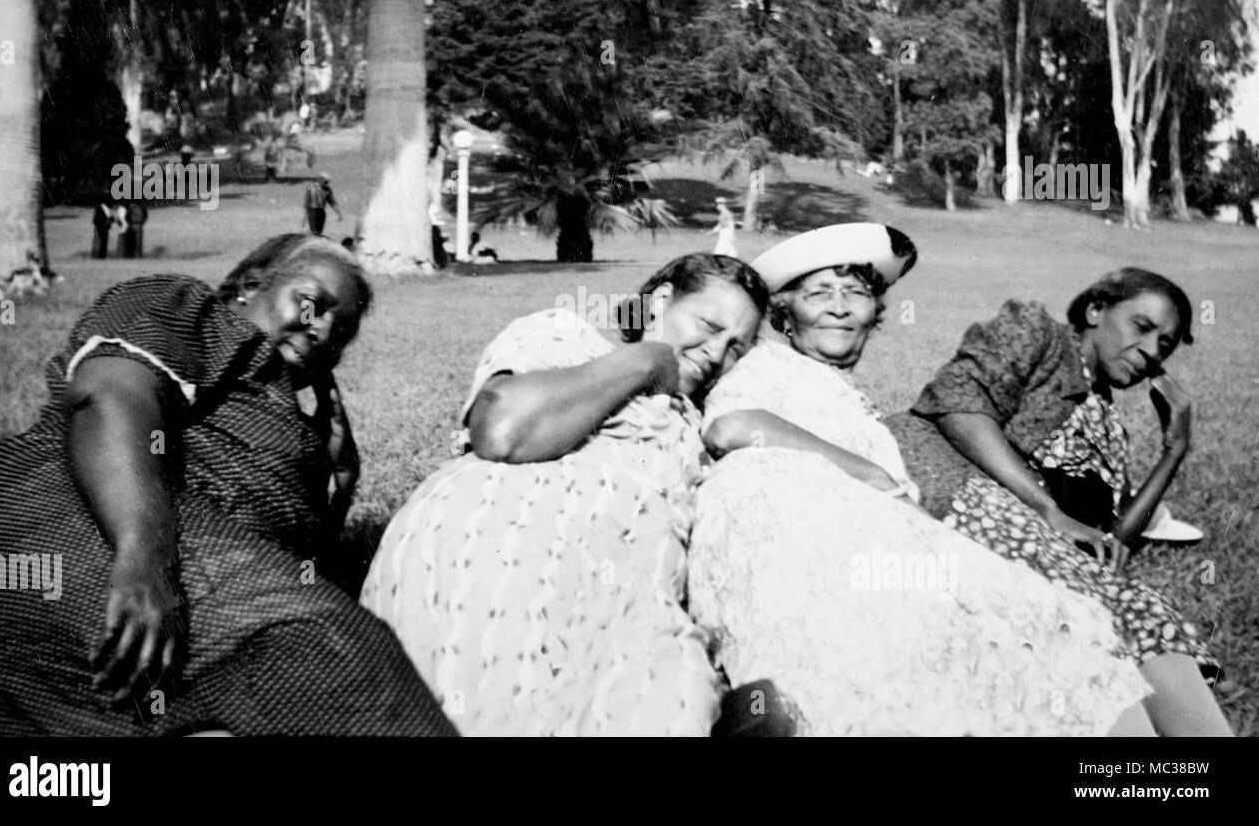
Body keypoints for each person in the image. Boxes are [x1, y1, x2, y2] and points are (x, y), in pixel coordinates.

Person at [0, 234, 454, 736]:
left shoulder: (294, 419)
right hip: (88, 513)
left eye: (342, 328)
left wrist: (336, 482)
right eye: (312, 302)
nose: (324, 328)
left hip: (128, 581)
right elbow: (111, 396)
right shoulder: (191, 310)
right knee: (342, 655)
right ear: (249, 285)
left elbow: (291, 566)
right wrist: (145, 561)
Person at [688, 224, 1163, 736]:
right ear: (784, 312)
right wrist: (871, 474)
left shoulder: (839, 391)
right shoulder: (768, 363)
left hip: (855, 530)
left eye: (857, 293)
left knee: (1042, 619)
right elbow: (731, 426)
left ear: (875, 313)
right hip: (787, 529)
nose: (840, 307)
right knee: (994, 628)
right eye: (819, 292)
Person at [360, 254, 767, 735]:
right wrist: (650, 358)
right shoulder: (567, 337)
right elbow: (503, 430)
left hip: (631, 592)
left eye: (736, 347)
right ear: (660, 301)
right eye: (709, 324)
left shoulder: (699, 424)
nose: (717, 353)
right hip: (509, 534)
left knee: (671, 702)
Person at [886, 267, 1230, 735]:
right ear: (1096, 310)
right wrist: (1046, 510)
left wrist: (1174, 450)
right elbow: (957, 405)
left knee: (1132, 605)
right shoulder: (1038, 333)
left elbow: (1110, 547)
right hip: (967, 508)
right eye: (1142, 327)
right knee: (1095, 619)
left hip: (1046, 555)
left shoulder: (1109, 430)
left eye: (1165, 346)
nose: (1151, 352)